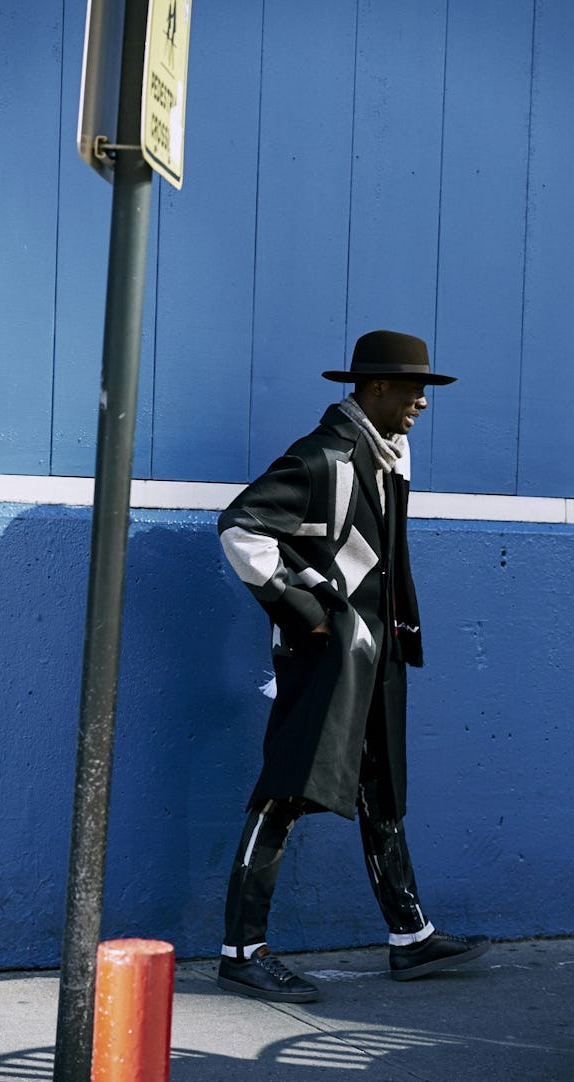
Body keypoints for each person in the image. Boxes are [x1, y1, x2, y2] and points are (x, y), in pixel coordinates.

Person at [216, 330, 489, 1003]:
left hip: (374, 656)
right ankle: (241, 952)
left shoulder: (384, 456)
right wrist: (307, 615)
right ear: (373, 389)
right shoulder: (327, 457)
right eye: (411, 388)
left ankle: (411, 938)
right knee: (285, 790)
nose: (422, 401)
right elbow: (240, 527)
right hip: (330, 659)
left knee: (381, 788)